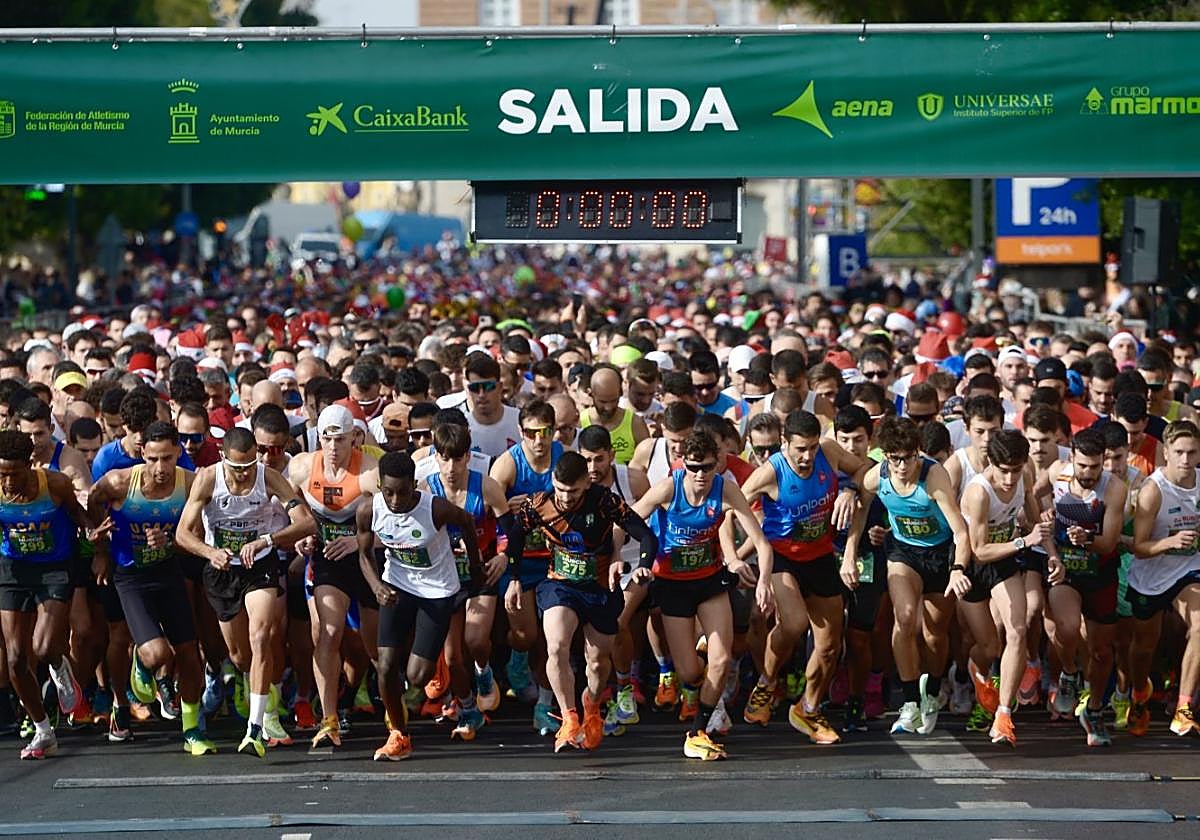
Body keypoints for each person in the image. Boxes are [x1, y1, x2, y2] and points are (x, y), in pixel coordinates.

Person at [633, 431, 774, 761]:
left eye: (707, 468)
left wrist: (764, 579)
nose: (699, 475)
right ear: (684, 464)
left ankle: (697, 732)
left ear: (717, 466)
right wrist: (615, 562)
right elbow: (629, 520)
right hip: (672, 585)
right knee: (689, 674)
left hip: (709, 582)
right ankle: (700, 691)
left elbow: (762, 542)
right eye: (694, 467)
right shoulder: (669, 487)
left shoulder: (726, 489)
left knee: (722, 660)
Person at [504, 451, 658, 752]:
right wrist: (514, 577)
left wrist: (643, 564)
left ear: (585, 484)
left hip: (599, 587)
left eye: (572, 491)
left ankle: (591, 703)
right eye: (560, 489)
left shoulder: (603, 501)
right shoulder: (539, 504)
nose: (565, 497)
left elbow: (645, 535)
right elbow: (516, 537)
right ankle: (568, 717)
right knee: (557, 645)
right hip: (560, 584)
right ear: (552, 482)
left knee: (599, 662)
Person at [175, 427, 315, 758]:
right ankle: (259, 691)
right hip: (223, 569)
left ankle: (255, 727)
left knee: (262, 636)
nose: (245, 473)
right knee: (240, 656)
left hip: (260, 565)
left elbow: (306, 522)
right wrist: (210, 552)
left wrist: (267, 540)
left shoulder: (268, 478)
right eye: (238, 468)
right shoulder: (208, 479)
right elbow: (182, 533)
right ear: (224, 459)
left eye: (250, 465)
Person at [87, 421, 215, 756]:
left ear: (178, 455)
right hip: (130, 576)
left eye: (168, 459)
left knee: (189, 655)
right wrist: (100, 549)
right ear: (142, 453)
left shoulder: (189, 484)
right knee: (159, 654)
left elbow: (198, 538)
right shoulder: (119, 481)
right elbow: (91, 503)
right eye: (154, 458)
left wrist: (171, 541)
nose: (161, 468)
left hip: (168, 571)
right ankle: (141, 665)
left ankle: (191, 730)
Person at [739, 410, 865, 744]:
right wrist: (730, 556)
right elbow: (730, 506)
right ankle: (766, 682)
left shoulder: (830, 451)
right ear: (785, 445)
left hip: (820, 556)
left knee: (829, 646)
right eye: (799, 450)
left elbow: (864, 469)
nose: (807, 457)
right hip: (782, 557)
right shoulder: (771, 471)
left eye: (811, 448)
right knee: (793, 624)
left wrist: (850, 489)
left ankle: (807, 708)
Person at [842, 417, 971, 737]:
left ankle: (933, 690)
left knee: (934, 634)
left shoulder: (934, 476)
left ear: (918, 453)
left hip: (941, 555)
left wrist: (958, 571)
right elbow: (859, 506)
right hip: (904, 553)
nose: (902, 466)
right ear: (885, 456)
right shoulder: (878, 475)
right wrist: (849, 553)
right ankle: (911, 701)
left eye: (908, 457)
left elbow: (961, 531)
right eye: (894, 458)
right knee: (905, 617)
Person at [357, 451, 482, 761]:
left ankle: (438, 666)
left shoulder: (435, 508)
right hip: (397, 585)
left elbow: (467, 523)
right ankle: (399, 735)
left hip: (437, 591)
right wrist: (376, 587)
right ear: (379, 486)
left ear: (414, 485)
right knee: (385, 666)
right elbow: (363, 555)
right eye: (389, 492)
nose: (396, 500)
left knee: (416, 677)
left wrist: (476, 570)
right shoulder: (368, 510)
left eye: (403, 491)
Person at [958, 430, 1062, 746]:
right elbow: (978, 549)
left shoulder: (1023, 475)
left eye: (1015, 471)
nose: (1009, 478)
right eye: (1003, 470)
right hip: (976, 563)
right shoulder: (979, 492)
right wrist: (1022, 542)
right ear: (992, 463)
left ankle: (1004, 715)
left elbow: (1035, 521)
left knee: (1017, 629)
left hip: (1005, 557)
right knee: (988, 646)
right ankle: (975, 669)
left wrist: (1053, 555)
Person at [288, 404, 381, 748]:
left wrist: (358, 541)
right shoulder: (300, 467)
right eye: (325, 439)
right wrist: (303, 532)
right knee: (328, 634)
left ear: (354, 439)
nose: (332, 448)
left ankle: (392, 710)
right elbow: (287, 502)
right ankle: (328, 719)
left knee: (375, 646)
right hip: (329, 560)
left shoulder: (371, 471)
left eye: (339, 440)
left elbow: (399, 521)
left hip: (369, 559)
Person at [0, 429, 96, 759]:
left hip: (55, 568)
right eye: (2, 474)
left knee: (42, 647)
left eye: (14, 473)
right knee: (15, 658)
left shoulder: (53, 484)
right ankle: (42, 730)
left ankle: (59, 663)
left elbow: (76, 513)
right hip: (12, 569)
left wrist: (90, 529)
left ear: (29, 464)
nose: (8, 482)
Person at [1037, 427, 1126, 747]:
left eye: (1095, 467)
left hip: (1100, 571)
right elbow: (1032, 494)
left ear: (1104, 462)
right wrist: (1044, 512)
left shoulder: (1114, 488)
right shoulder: (1056, 472)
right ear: (1071, 458)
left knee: (1102, 652)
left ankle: (1096, 709)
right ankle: (1070, 672)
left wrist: (1087, 538)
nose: (1088, 474)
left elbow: (1110, 543)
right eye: (1082, 466)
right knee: (1068, 626)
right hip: (1066, 570)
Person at [423, 421, 509, 739]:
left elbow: (507, 529)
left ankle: (484, 671)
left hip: (480, 573)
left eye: (457, 459)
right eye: (444, 458)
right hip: (444, 578)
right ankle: (468, 706)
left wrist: (502, 555)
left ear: (467, 458)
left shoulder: (485, 486)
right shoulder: (426, 489)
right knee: (451, 657)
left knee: (474, 640)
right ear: (435, 457)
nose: (451, 467)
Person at [490, 399, 563, 734]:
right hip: (518, 560)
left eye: (544, 432)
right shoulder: (508, 465)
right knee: (526, 635)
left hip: (554, 559)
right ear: (521, 432)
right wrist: (507, 507)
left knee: (552, 640)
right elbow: (488, 511)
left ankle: (544, 707)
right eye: (531, 432)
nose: (538, 440)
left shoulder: (563, 458)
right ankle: (516, 661)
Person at [1129, 420, 1200, 737]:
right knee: (1144, 646)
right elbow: (1139, 547)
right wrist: (1170, 542)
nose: (1186, 460)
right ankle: (1139, 693)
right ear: (1166, 453)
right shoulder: (1153, 490)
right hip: (1151, 575)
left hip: (1189, 570)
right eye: (1180, 453)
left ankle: (1184, 708)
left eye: (1192, 452)